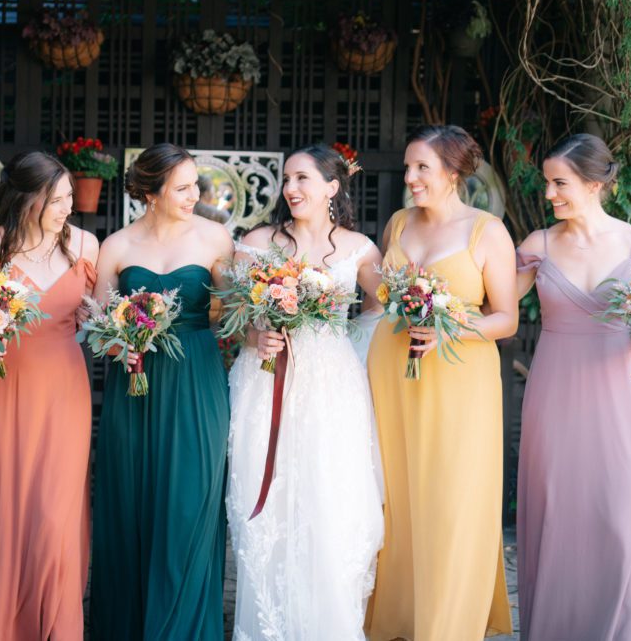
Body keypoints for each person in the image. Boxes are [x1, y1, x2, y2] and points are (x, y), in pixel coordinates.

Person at [226, 144, 384, 640]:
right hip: (265, 379)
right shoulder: (256, 242)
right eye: (286, 179)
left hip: (331, 390)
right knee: (267, 505)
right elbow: (229, 319)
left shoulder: (360, 248)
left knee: (329, 503)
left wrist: (346, 350)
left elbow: (380, 308)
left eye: (302, 179)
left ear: (332, 187)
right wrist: (254, 336)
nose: (291, 189)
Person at [366, 125, 516, 641]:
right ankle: (404, 617)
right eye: (408, 167)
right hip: (394, 371)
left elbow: (506, 319)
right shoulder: (398, 223)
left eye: (421, 168)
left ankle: (449, 626)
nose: (410, 178)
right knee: (401, 497)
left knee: (453, 499)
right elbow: (384, 294)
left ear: (453, 173)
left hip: (459, 378)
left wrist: (450, 325)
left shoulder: (486, 231)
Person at [515, 133, 631, 640]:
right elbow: (492, 305)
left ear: (595, 183)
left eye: (560, 183)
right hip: (553, 398)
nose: (549, 194)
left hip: (618, 399)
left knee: (619, 519)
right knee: (556, 519)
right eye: (547, 183)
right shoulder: (537, 245)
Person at [88, 143, 234, 640]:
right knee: (132, 506)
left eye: (196, 184)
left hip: (196, 379)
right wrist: (118, 345)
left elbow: (233, 313)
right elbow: (99, 323)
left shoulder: (216, 238)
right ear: (151, 192)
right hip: (135, 385)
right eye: (183, 187)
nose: (196, 194)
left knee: (188, 505)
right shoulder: (117, 247)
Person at [0, 151, 99, 641]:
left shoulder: (85, 244)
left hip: (64, 389)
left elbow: (96, 319)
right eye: (56, 199)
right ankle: (2, 624)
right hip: (2, 386)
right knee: (6, 505)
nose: (67, 208)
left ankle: (57, 627)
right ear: (28, 198)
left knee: (54, 515)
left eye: (68, 198)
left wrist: (96, 320)